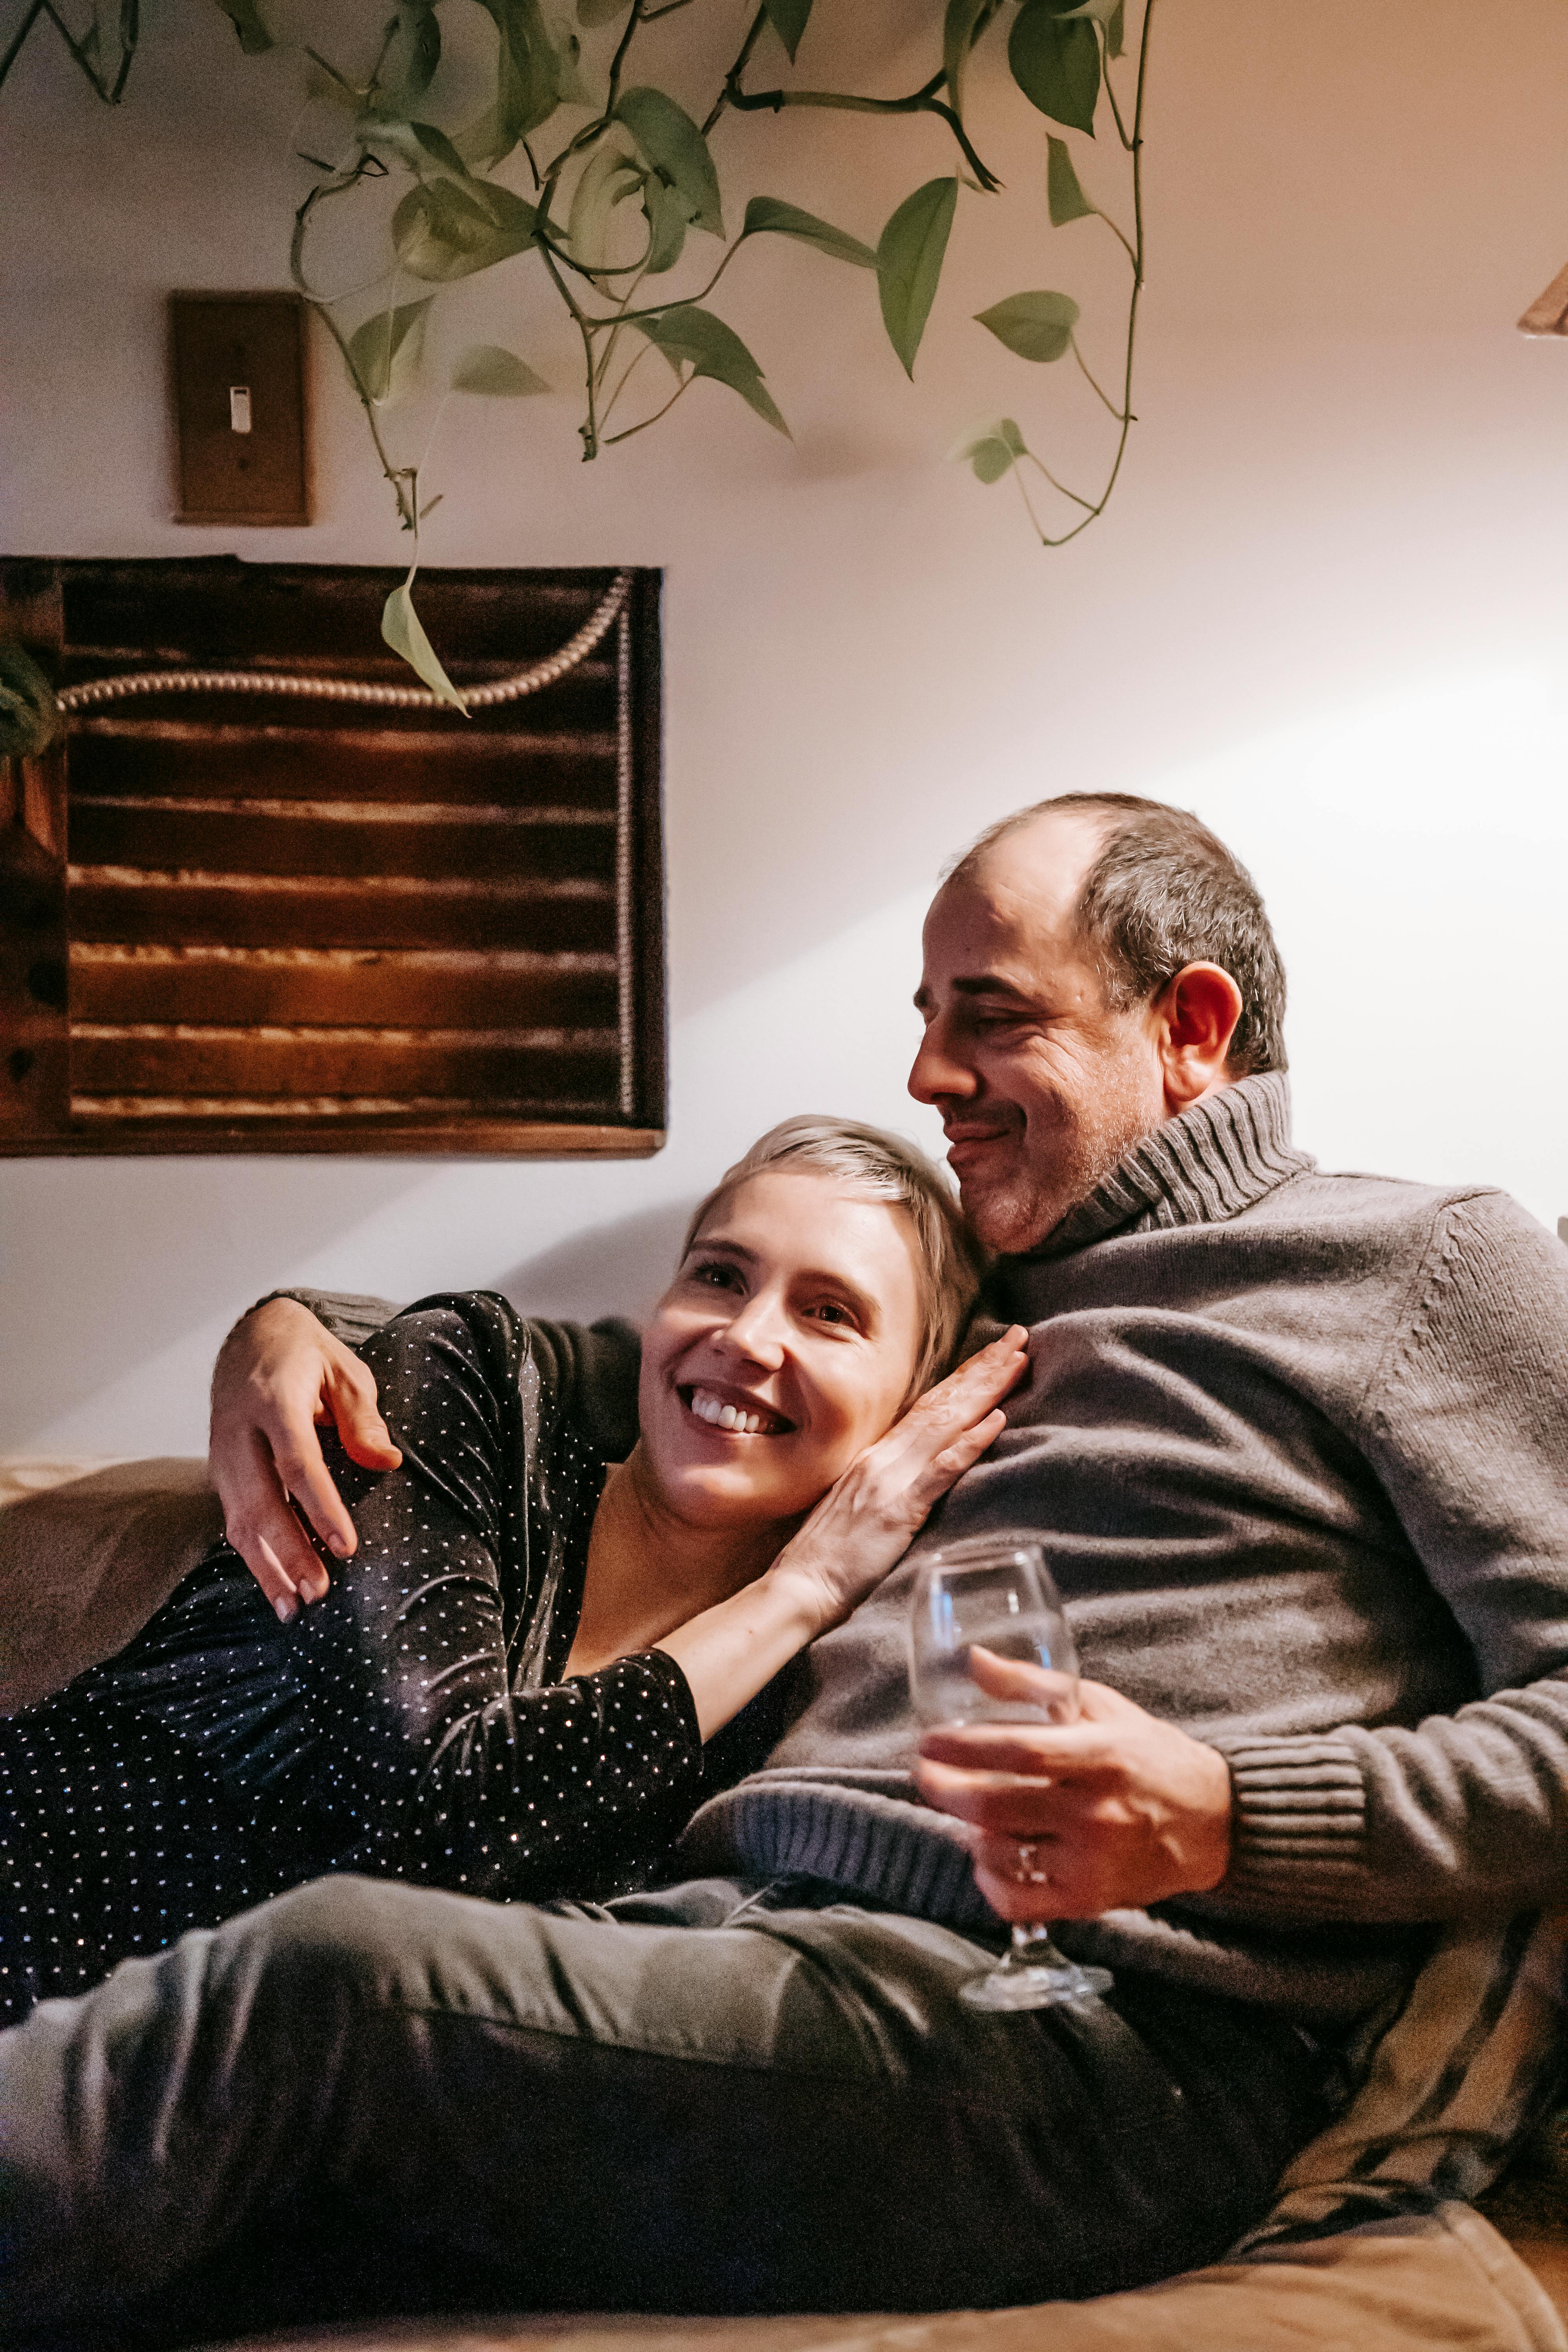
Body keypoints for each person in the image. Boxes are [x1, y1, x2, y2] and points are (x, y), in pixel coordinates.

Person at [4, 791, 1567, 2344]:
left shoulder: (1419, 1264)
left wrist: (1233, 1819)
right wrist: (291, 1325)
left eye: (990, 1015)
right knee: (210, 2203)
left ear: (1193, 1026)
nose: (925, 1073)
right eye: (924, 1015)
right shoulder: (972, 1312)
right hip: (732, 1955)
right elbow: (673, 1384)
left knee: (318, 1987)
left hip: (1068, 2036)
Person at [0, 1117, 1022, 2023]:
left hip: (227, 2155)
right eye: (718, 1275)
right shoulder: (472, 1392)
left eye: (831, 1313)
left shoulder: (792, 1711)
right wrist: (800, 1587)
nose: (746, 1337)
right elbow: (423, 1821)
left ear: (913, 1410)